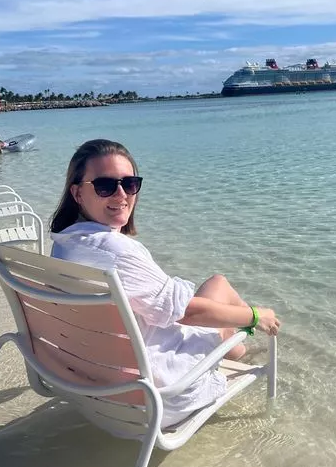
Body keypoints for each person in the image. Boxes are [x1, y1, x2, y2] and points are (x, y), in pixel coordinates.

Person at [50, 139, 281, 428]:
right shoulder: (117, 251)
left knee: (216, 288)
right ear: (78, 193)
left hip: (94, 379)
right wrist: (257, 315)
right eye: (105, 185)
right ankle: (239, 350)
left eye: (130, 183)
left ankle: (237, 351)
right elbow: (188, 312)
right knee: (220, 287)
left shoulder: (64, 245)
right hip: (157, 392)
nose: (121, 194)